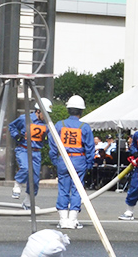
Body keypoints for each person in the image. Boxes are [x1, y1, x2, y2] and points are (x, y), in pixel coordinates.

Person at [48, 95, 95, 229]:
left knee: (63, 189)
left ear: (68, 109)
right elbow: (90, 147)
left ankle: (63, 220)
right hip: (79, 159)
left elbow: (52, 144)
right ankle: (73, 220)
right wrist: (89, 163)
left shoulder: (59, 125)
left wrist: (55, 160)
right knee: (77, 189)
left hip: (63, 158)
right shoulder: (84, 127)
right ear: (81, 111)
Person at [8, 97, 52, 209]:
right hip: (23, 149)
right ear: (38, 111)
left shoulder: (47, 124)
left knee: (35, 180)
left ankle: (28, 202)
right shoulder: (25, 118)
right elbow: (11, 126)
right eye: (45, 113)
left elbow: (48, 137)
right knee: (25, 168)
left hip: (36, 152)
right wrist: (16, 135)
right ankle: (17, 185)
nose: (46, 116)